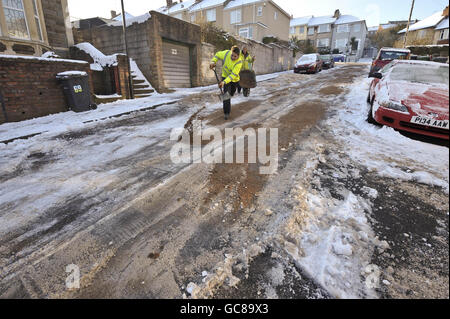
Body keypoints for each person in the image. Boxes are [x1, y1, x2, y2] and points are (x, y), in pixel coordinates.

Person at [210, 46, 243, 120]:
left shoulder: (239, 62)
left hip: (234, 79)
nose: (233, 57)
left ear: (238, 56)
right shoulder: (226, 53)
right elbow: (218, 54)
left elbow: (233, 75)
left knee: (230, 94)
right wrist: (213, 61)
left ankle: (226, 97)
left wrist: (223, 82)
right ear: (231, 52)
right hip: (225, 76)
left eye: (235, 56)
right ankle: (226, 113)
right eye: (232, 55)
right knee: (226, 96)